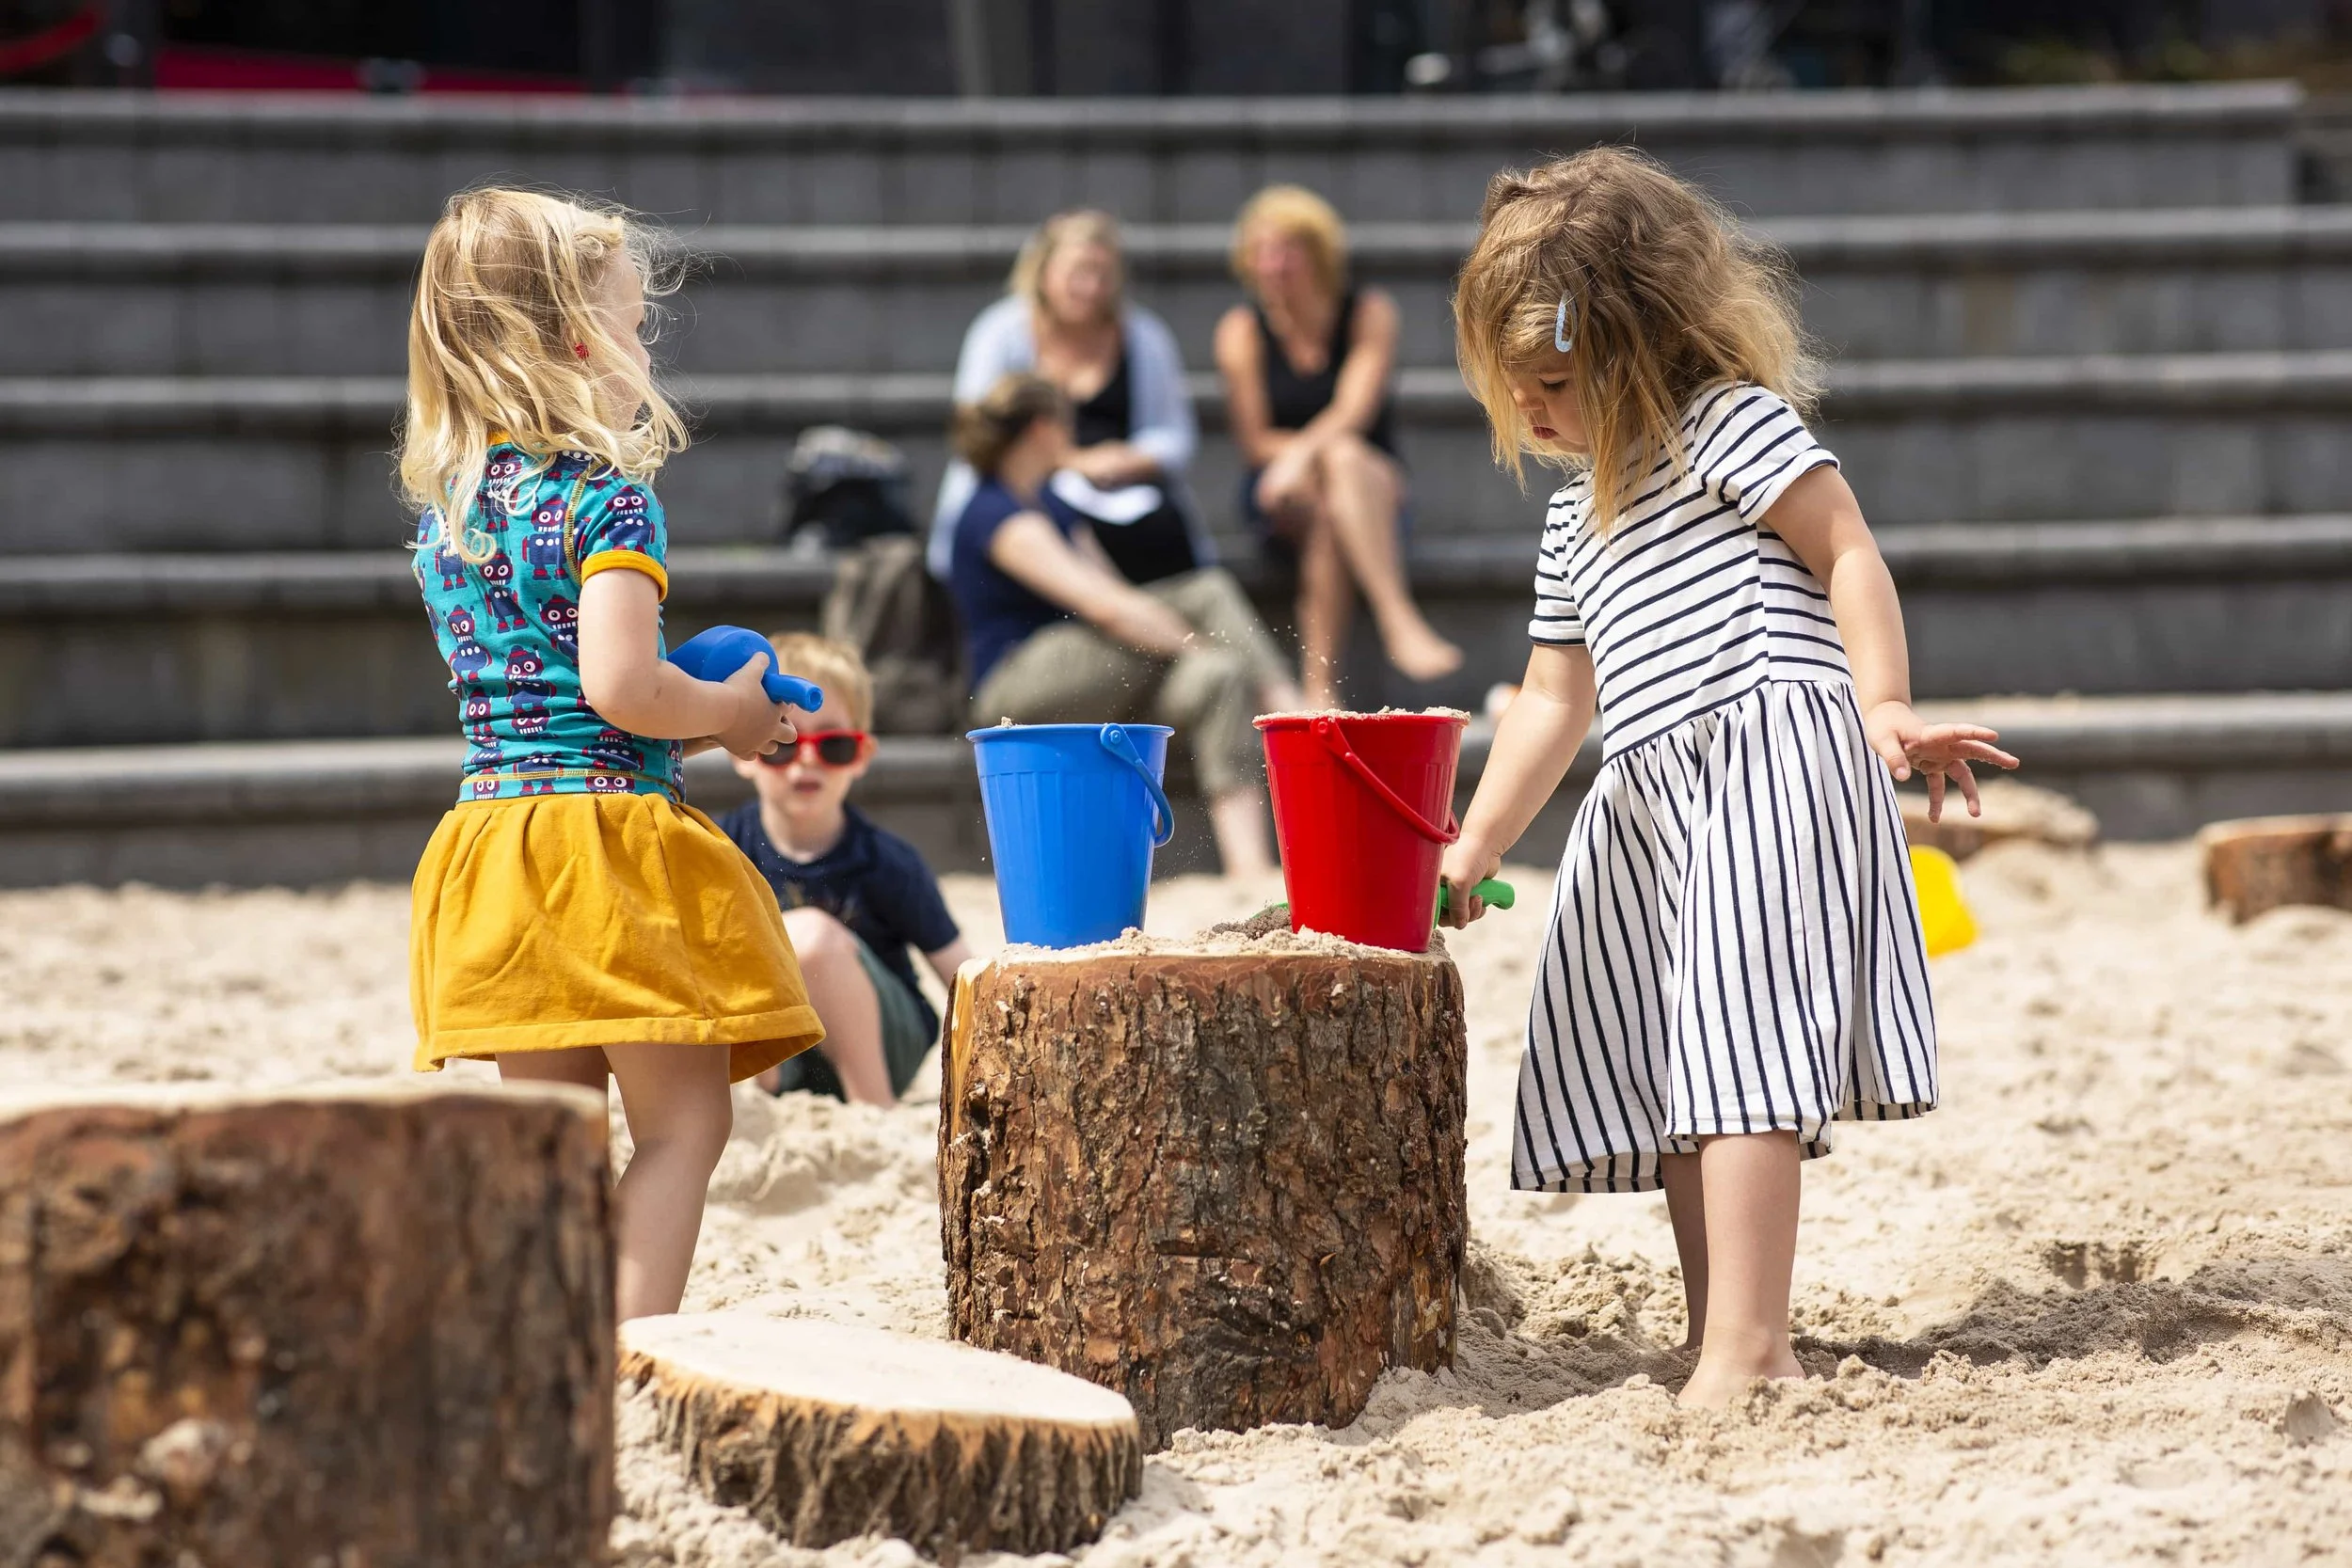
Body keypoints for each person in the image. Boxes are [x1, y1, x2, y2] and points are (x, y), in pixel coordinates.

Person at [1437, 150, 2018, 1409]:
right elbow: (1554, 696)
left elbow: (1846, 548)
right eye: (1513, 388)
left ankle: (1754, 1343)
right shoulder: (1570, 520)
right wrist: (1475, 843)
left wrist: (1887, 702)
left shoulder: (1727, 427)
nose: (1532, 410)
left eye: (1553, 380)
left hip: (1768, 749)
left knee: (1742, 1044)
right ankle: (1722, 1330)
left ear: (1641, 342)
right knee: (1678, 1058)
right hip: (1652, 795)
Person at [402, 187, 825, 1323]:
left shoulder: (450, 515)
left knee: (559, 1146)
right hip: (606, 850)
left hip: (494, 846)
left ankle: (552, 1351)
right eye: (637, 322)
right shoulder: (609, 502)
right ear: (580, 341)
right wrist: (734, 715)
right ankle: (631, 1357)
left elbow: (549, 684)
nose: (646, 344)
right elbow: (623, 690)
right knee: (686, 1124)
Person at [946, 372, 1304, 879]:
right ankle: (1295, 712)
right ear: (1042, 428)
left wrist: (1200, 654)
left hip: (1098, 673)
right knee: (1206, 593)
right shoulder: (995, 512)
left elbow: (1123, 598)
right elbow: (1105, 607)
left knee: (1220, 676)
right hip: (1018, 682)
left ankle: (1250, 865)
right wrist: (1191, 642)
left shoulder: (1051, 505)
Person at [1215, 184, 1462, 708]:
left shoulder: (1368, 313)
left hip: (1368, 480)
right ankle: (1397, 620)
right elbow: (1255, 441)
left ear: (1319, 254)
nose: (1274, 264)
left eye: (1288, 249)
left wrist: (1308, 457)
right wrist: (1302, 462)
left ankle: (1322, 683)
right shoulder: (1241, 330)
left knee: (1343, 458)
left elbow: (1354, 412)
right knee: (1331, 485)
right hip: (1283, 491)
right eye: (1262, 251)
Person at [717, 632, 973, 1105]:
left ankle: (873, 1107)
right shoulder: (722, 847)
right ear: (743, 753)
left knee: (811, 937)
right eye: (784, 743)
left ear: (861, 757)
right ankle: (758, 1098)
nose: (808, 760)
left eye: (833, 746)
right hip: (775, 1055)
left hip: (881, 1046)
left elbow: (962, 977)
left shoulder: (885, 861)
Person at [931, 209, 1212, 588]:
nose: (1090, 287)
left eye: (1102, 274)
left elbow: (1175, 435)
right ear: (1043, 272)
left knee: (1167, 539)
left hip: (1123, 499)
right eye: (1078, 273)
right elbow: (977, 429)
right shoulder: (999, 333)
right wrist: (1070, 462)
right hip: (1031, 494)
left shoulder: (1144, 338)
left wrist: (1129, 459)